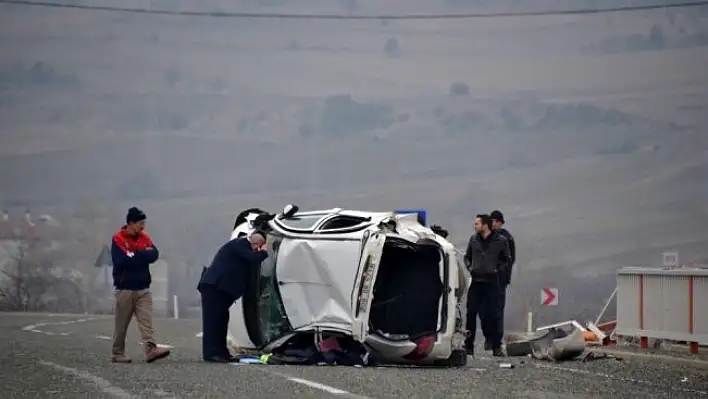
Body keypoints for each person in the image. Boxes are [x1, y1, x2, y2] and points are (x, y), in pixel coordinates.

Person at [110, 207, 171, 364]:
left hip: (143, 288)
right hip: (125, 288)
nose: (143, 226)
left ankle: (151, 349)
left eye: (144, 223)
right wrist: (141, 255)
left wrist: (135, 254)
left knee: (146, 321)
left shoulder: (144, 237)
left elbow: (154, 254)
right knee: (121, 324)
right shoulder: (118, 239)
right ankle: (117, 352)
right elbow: (122, 261)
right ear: (131, 223)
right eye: (140, 223)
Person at [198, 232, 269, 363]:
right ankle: (211, 353)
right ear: (256, 244)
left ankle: (221, 352)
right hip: (215, 287)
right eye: (258, 247)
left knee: (221, 320)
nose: (257, 251)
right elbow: (252, 259)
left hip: (221, 289)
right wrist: (264, 253)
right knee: (213, 321)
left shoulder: (241, 246)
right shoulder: (240, 244)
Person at [463, 214, 511, 357]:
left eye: (477, 223)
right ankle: (468, 346)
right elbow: (467, 257)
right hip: (476, 282)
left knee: (494, 315)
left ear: (485, 225)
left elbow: (506, 259)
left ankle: (497, 346)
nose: (474, 226)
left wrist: (497, 270)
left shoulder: (500, 241)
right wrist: (470, 268)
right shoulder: (473, 240)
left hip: (492, 283)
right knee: (471, 313)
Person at [490, 209, 515, 347]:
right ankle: (490, 338)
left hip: (499, 279)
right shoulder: (486, 236)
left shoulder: (506, 238)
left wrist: (504, 275)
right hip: (486, 278)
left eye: (494, 221)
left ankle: (496, 340)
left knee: (498, 309)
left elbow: (510, 259)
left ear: (499, 223)